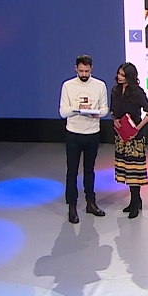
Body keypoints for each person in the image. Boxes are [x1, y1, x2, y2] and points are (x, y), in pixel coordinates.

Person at [59, 54, 109, 224]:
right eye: (81, 71)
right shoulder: (68, 86)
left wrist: (96, 113)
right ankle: (72, 206)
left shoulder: (100, 85)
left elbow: (104, 110)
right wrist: (79, 109)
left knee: (90, 170)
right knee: (72, 171)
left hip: (92, 134)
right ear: (76, 69)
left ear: (91, 69)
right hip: (73, 134)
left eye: (86, 71)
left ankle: (90, 203)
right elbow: (63, 112)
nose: (84, 74)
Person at [110, 62, 148, 218]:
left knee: (134, 171)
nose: (119, 77)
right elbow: (113, 110)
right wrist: (114, 119)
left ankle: (135, 202)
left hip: (135, 138)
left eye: (123, 75)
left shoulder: (137, 92)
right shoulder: (115, 91)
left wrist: (137, 127)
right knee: (126, 170)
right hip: (121, 136)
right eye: (119, 74)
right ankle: (135, 200)